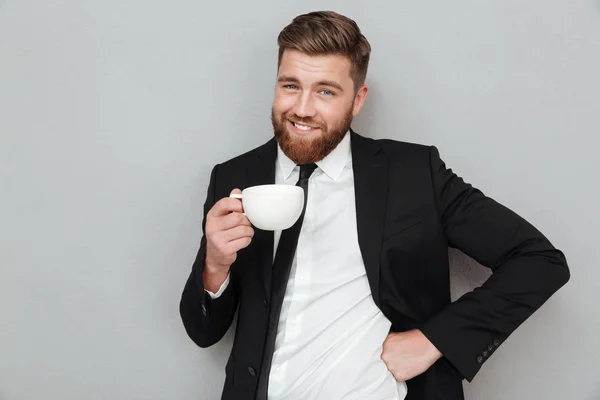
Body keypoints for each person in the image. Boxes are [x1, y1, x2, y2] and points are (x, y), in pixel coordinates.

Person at [179, 10, 570, 400]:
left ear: (357, 99)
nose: (302, 108)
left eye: (326, 91)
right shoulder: (234, 177)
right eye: (290, 85)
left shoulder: (416, 174)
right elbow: (204, 331)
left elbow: (538, 261)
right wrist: (215, 264)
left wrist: (433, 340)